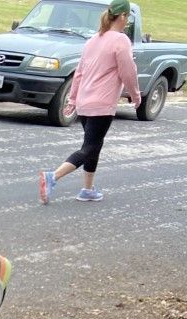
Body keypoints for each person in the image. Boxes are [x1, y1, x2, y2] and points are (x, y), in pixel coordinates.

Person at [39, 0, 141, 205]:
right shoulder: (121, 40)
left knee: (94, 145)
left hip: (85, 101)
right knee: (90, 147)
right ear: (122, 17)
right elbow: (128, 72)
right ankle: (53, 177)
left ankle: (87, 190)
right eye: (127, 17)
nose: (127, 21)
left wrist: (73, 99)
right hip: (102, 103)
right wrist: (136, 95)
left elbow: (79, 73)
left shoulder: (93, 40)